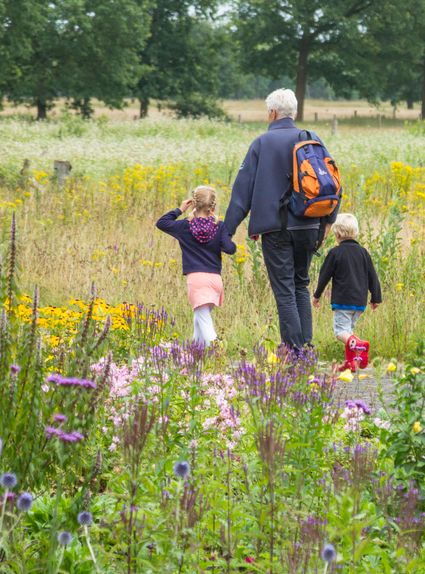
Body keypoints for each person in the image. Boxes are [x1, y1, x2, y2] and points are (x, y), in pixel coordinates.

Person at [224, 88, 338, 350]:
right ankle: (305, 348)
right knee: (301, 284)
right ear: (294, 113)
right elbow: (331, 181)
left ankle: (295, 351)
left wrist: (225, 232)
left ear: (272, 113)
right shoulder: (312, 139)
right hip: (310, 224)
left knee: (285, 290)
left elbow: (242, 194)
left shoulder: (261, 143)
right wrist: (328, 222)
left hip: (275, 229)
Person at [156, 185, 236, 346]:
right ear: (212, 206)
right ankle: (195, 352)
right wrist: (222, 232)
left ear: (193, 203)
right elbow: (230, 249)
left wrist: (180, 209)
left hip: (197, 280)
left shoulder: (185, 226)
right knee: (199, 318)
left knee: (203, 319)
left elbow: (162, 223)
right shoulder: (218, 226)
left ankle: (216, 349)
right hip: (215, 280)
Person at [312, 213, 382, 372]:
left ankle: (359, 346)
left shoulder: (335, 253)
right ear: (355, 232)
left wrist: (317, 295)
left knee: (340, 332)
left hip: (342, 301)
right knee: (348, 331)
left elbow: (324, 276)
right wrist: (376, 298)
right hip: (359, 303)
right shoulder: (364, 252)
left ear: (337, 234)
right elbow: (373, 275)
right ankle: (350, 362)